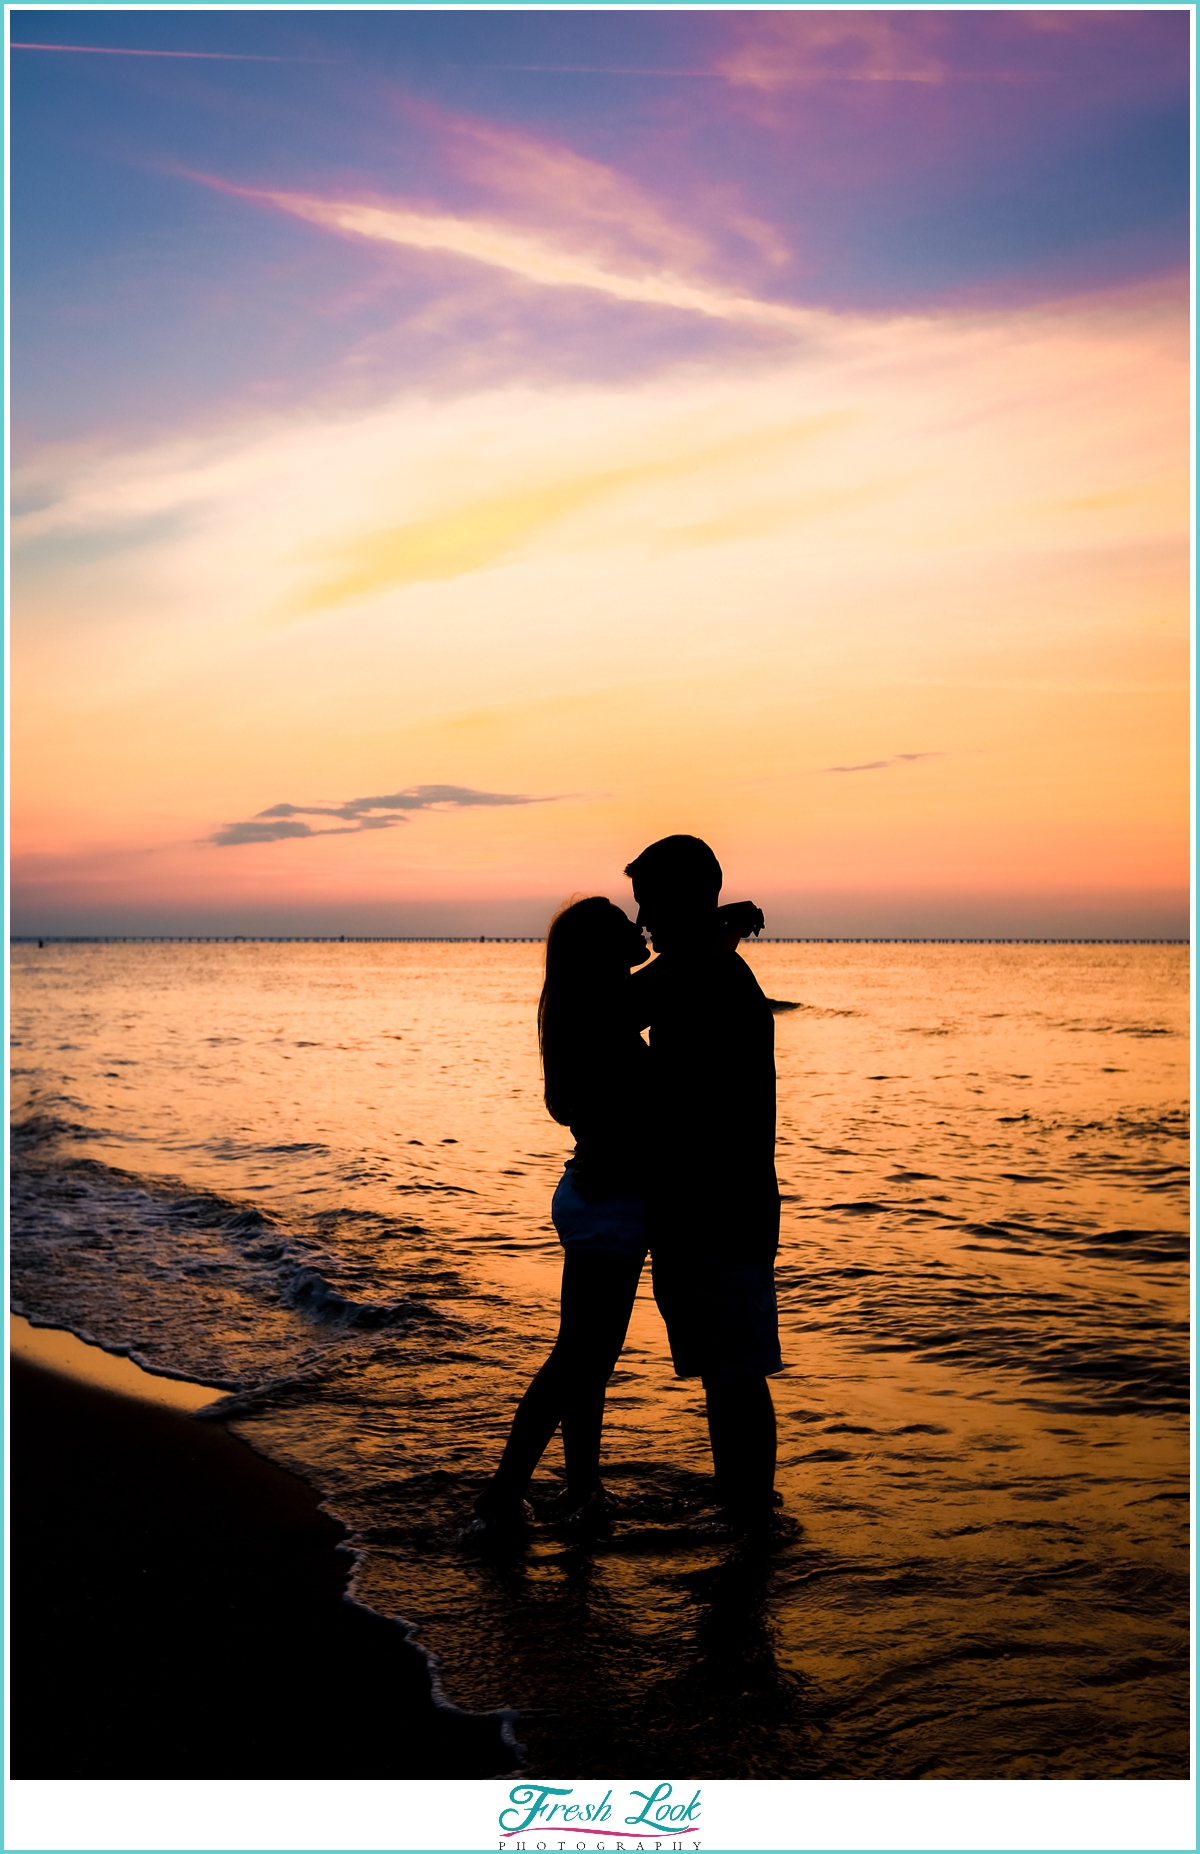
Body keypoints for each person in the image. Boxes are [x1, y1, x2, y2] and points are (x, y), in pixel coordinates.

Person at [468, 896, 651, 1542]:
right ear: (601, 952)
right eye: (625, 926)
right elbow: (674, 978)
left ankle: (581, 1488)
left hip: (594, 1198)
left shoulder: (587, 1010)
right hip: (608, 1206)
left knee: (585, 1362)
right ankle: (503, 1495)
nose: (641, 930)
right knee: (577, 1361)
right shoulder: (607, 1013)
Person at [626, 835, 783, 1532]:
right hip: (696, 1209)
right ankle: (744, 1517)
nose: (642, 924)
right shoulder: (697, 967)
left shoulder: (712, 979)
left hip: (721, 1209)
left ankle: (751, 1522)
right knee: (726, 1377)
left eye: (649, 906)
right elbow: (623, 1004)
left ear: (684, 900)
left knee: (735, 1377)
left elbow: (614, 1011)